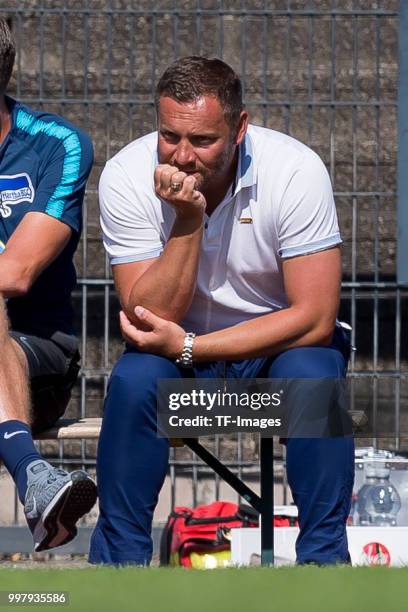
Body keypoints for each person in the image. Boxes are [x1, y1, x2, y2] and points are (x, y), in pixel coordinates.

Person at [91, 56, 354, 566]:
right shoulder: (126, 174)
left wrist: (192, 345)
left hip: (278, 349)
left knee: (315, 374)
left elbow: (316, 317)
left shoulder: (295, 170)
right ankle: (118, 572)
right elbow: (148, 313)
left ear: (239, 128)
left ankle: (325, 567)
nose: (183, 156)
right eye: (170, 136)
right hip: (176, 356)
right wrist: (188, 219)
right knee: (134, 381)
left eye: (203, 140)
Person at [0, 18, 97, 552]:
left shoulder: (56, 145)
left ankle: (33, 479)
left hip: (36, 356)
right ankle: (35, 479)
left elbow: (14, 273)